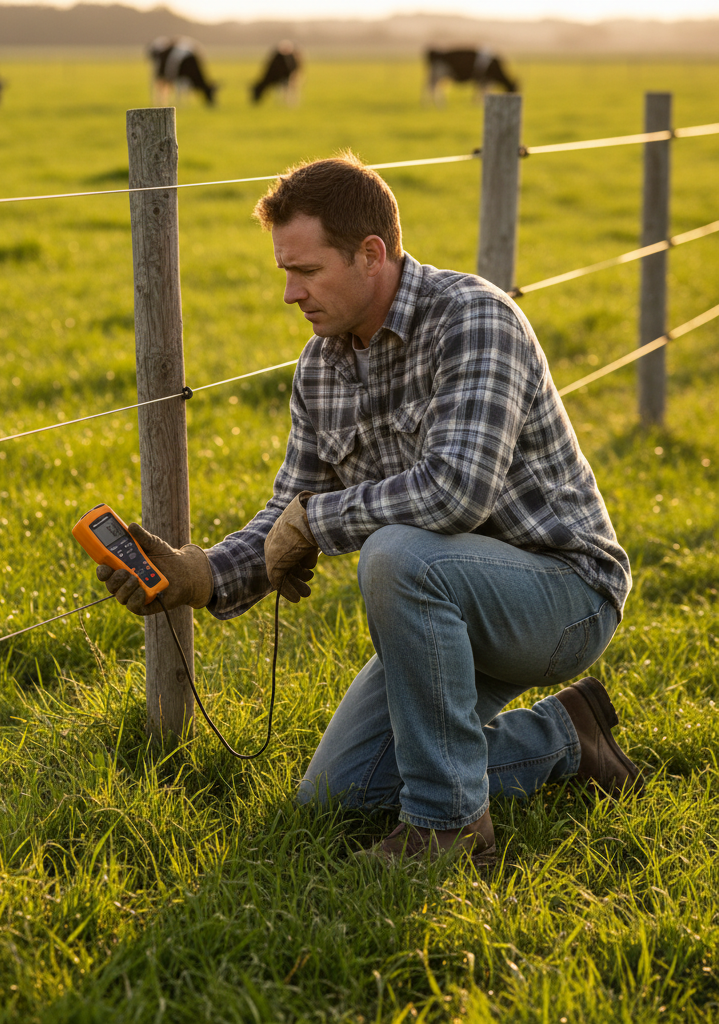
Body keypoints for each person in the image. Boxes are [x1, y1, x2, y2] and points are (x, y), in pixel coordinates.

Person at [97, 152, 641, 865]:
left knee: (396, 554)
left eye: (307, 271)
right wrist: (197, 575)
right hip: (446, 603)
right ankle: (568, 738)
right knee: (338, 795)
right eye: (284, 272)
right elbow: (289, 511)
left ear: (371, 254)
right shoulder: (321, 366)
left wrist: (317, 523)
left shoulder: (473, 318)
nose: (291, 293)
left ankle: (447, 829)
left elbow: (455, 491)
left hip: (563, 595)